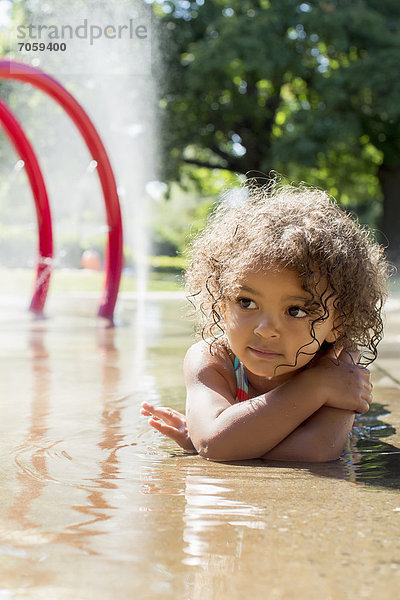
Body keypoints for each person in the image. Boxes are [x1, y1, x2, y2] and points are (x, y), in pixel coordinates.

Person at [141, 178, 389, 462]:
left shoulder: (338, 365)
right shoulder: (212, 360)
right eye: (246, 303)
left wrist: (228, 439)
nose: (266, 329)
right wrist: (316, 387)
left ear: (338, 323)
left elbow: (317, 451)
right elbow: (214, 444)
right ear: (223, 305)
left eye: (296, 310)